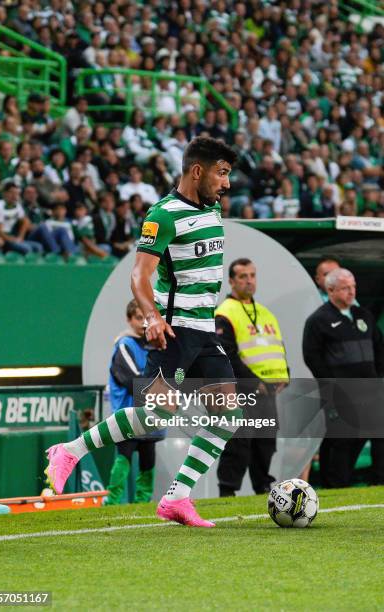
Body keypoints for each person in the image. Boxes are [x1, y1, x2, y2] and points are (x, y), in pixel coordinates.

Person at [45, 136, 245, 528]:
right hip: (174, 331)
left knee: (228, 413)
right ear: (197, 171)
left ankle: (178, 497)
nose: (227, 183)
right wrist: (153, 317)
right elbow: (139, 275)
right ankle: (69, 450)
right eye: (222, 173)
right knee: (154, 418)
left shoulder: (213, 209)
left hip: (205, 330)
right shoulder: (162, 215)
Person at [303, 268, 384, 488]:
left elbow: (379, 348)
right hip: (341, 393)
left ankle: (378, 482)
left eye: (353, 286)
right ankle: (337, 486)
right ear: (330, 290)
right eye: (345, 288)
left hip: (370, 392)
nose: (351, 291)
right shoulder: (318, 320)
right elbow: (312, 357)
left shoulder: (363, 316)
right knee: (342, 440)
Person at [215, 258, 289, 495]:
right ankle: (227, 491)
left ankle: (263, 487)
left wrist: (285, 374)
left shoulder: (266, 313)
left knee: (266, 441)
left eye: (252, 275)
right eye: (243, 276)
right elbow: (227, 355)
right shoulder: (224, 313)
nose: (249, 281)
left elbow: (277, 347)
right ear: (231, 281)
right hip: (240, 391)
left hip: (268, 392)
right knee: (239, 442)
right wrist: (255, 382)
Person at [105, 299, 162, 505]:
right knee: (124, 457)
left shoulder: (155, 344)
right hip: (128, 415)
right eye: (139, 318)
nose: (143, 323)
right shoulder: (124, 345)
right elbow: (132, 381)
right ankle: (111, 501)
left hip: (150, 415)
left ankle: (143, 502)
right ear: (129, 320)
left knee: (148, 461)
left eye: (147, 318)